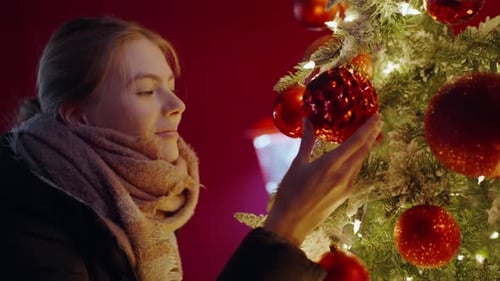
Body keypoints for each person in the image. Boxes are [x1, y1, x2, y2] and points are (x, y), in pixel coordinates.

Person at [0, 17, 383, 281]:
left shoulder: (139, 196)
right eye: (147, 91)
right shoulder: (22, 217)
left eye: (170, 85)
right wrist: (285, 227)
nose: (176, 105)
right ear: (78, 118)